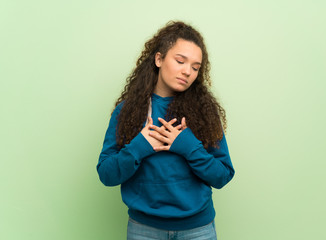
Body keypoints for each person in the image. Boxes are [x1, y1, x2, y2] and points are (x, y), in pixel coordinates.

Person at [97, 20, 235, 240]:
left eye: (195, 67)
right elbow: (106, 174)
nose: (187, 71)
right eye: (180, 61)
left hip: (198, 230)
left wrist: (189, 147)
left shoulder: (204, 113)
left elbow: (222, 176)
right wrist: (139, 147)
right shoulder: (127, 111)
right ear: (159, 59)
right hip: (144, 229)